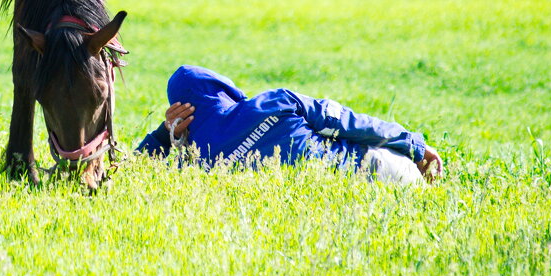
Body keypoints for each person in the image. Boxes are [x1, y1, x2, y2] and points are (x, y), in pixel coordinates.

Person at [137, 65, 442, 184]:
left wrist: (165, 135)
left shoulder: (197, 164)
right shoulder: (276, 101)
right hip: (386, 171)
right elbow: (352, 124)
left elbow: (133, 173)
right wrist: (414, 145)